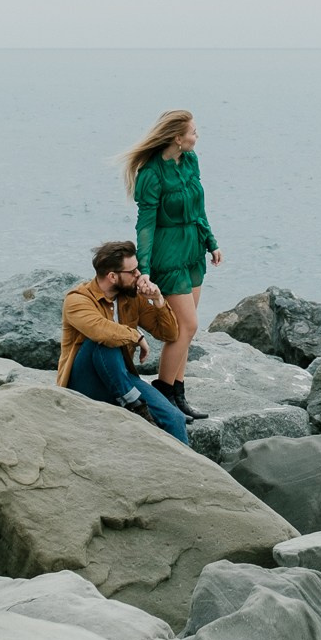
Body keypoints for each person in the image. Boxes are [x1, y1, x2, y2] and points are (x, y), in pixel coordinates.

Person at [121, 108, 220, 421]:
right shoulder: (151, 174)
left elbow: (199, 207)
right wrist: (144, 268)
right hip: (168, 254)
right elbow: (145, 224)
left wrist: (211, 241)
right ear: (177, 137)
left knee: (186, 332)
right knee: (184, 327)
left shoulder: (190, 161)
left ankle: (179, 395)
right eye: (193, 131)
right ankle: (163, 395)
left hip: (193, 250)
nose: (197, 136)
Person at [57, 240, 187, 443]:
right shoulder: (77, 299)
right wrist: (137, 336)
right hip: (84, 382)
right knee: (103, 343)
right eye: (133, 271)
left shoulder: (132, 297)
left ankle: (188, 471)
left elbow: (169, 334)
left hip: (120, 378)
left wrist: (158, 299)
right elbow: (102, 332)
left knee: (174, 418)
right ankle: (132, 403)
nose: (139, 275)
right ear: (112, 276)